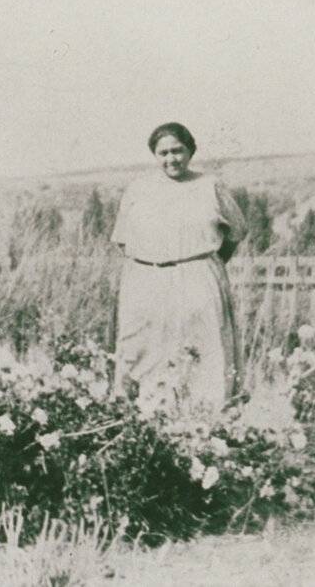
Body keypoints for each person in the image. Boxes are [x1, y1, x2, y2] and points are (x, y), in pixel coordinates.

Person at [109, 122, 248, 413]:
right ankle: (140, 417)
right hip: (146, 278)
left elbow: (236, 232)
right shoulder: (139, 189)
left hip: (198, 276)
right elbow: (122, 239)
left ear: (190, 151)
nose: (171, 159)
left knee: (203, 352)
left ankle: (206, 421)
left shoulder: (210, 186)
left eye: (178, 151)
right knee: (141, 352)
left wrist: (204, 263)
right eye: (164, 153)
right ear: (155, 155)